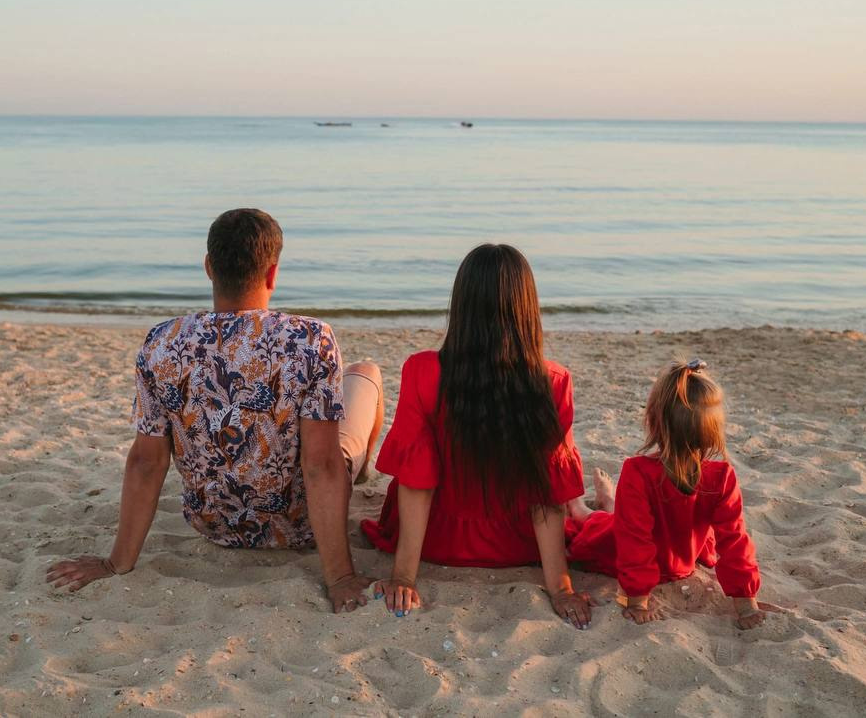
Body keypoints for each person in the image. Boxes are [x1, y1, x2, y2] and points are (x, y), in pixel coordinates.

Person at [46, 208, 384, 613]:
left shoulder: (162, 343)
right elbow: (321, 465)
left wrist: (115, 562)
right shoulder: (310, 340)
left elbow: (146, 463)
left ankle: (357, 473)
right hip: (299, 526)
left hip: (215, 525)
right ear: (272, 273)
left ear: (208, 267)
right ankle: (361, 475)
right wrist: (341, 578)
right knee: (367, 373)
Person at [361, 243, 602, 630]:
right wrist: (560, 588)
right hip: (518, 543)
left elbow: (417, 482)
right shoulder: (554, 381)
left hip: (437, 541)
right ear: (527, 309)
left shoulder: (422, 371)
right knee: (577, 506)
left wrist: (404, 577)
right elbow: (549, 492)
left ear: (461, 304)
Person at [565, 360, 766, 629]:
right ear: (714, 430)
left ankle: (606, 502)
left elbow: (734, 541)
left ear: (653, 422)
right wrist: (637, 600)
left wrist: (746, 601)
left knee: (613, 518)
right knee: (587, 520)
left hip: (652, 539)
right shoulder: (645, 472)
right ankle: (577, 503)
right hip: (628, 537)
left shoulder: (718, 477)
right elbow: (634, 542)